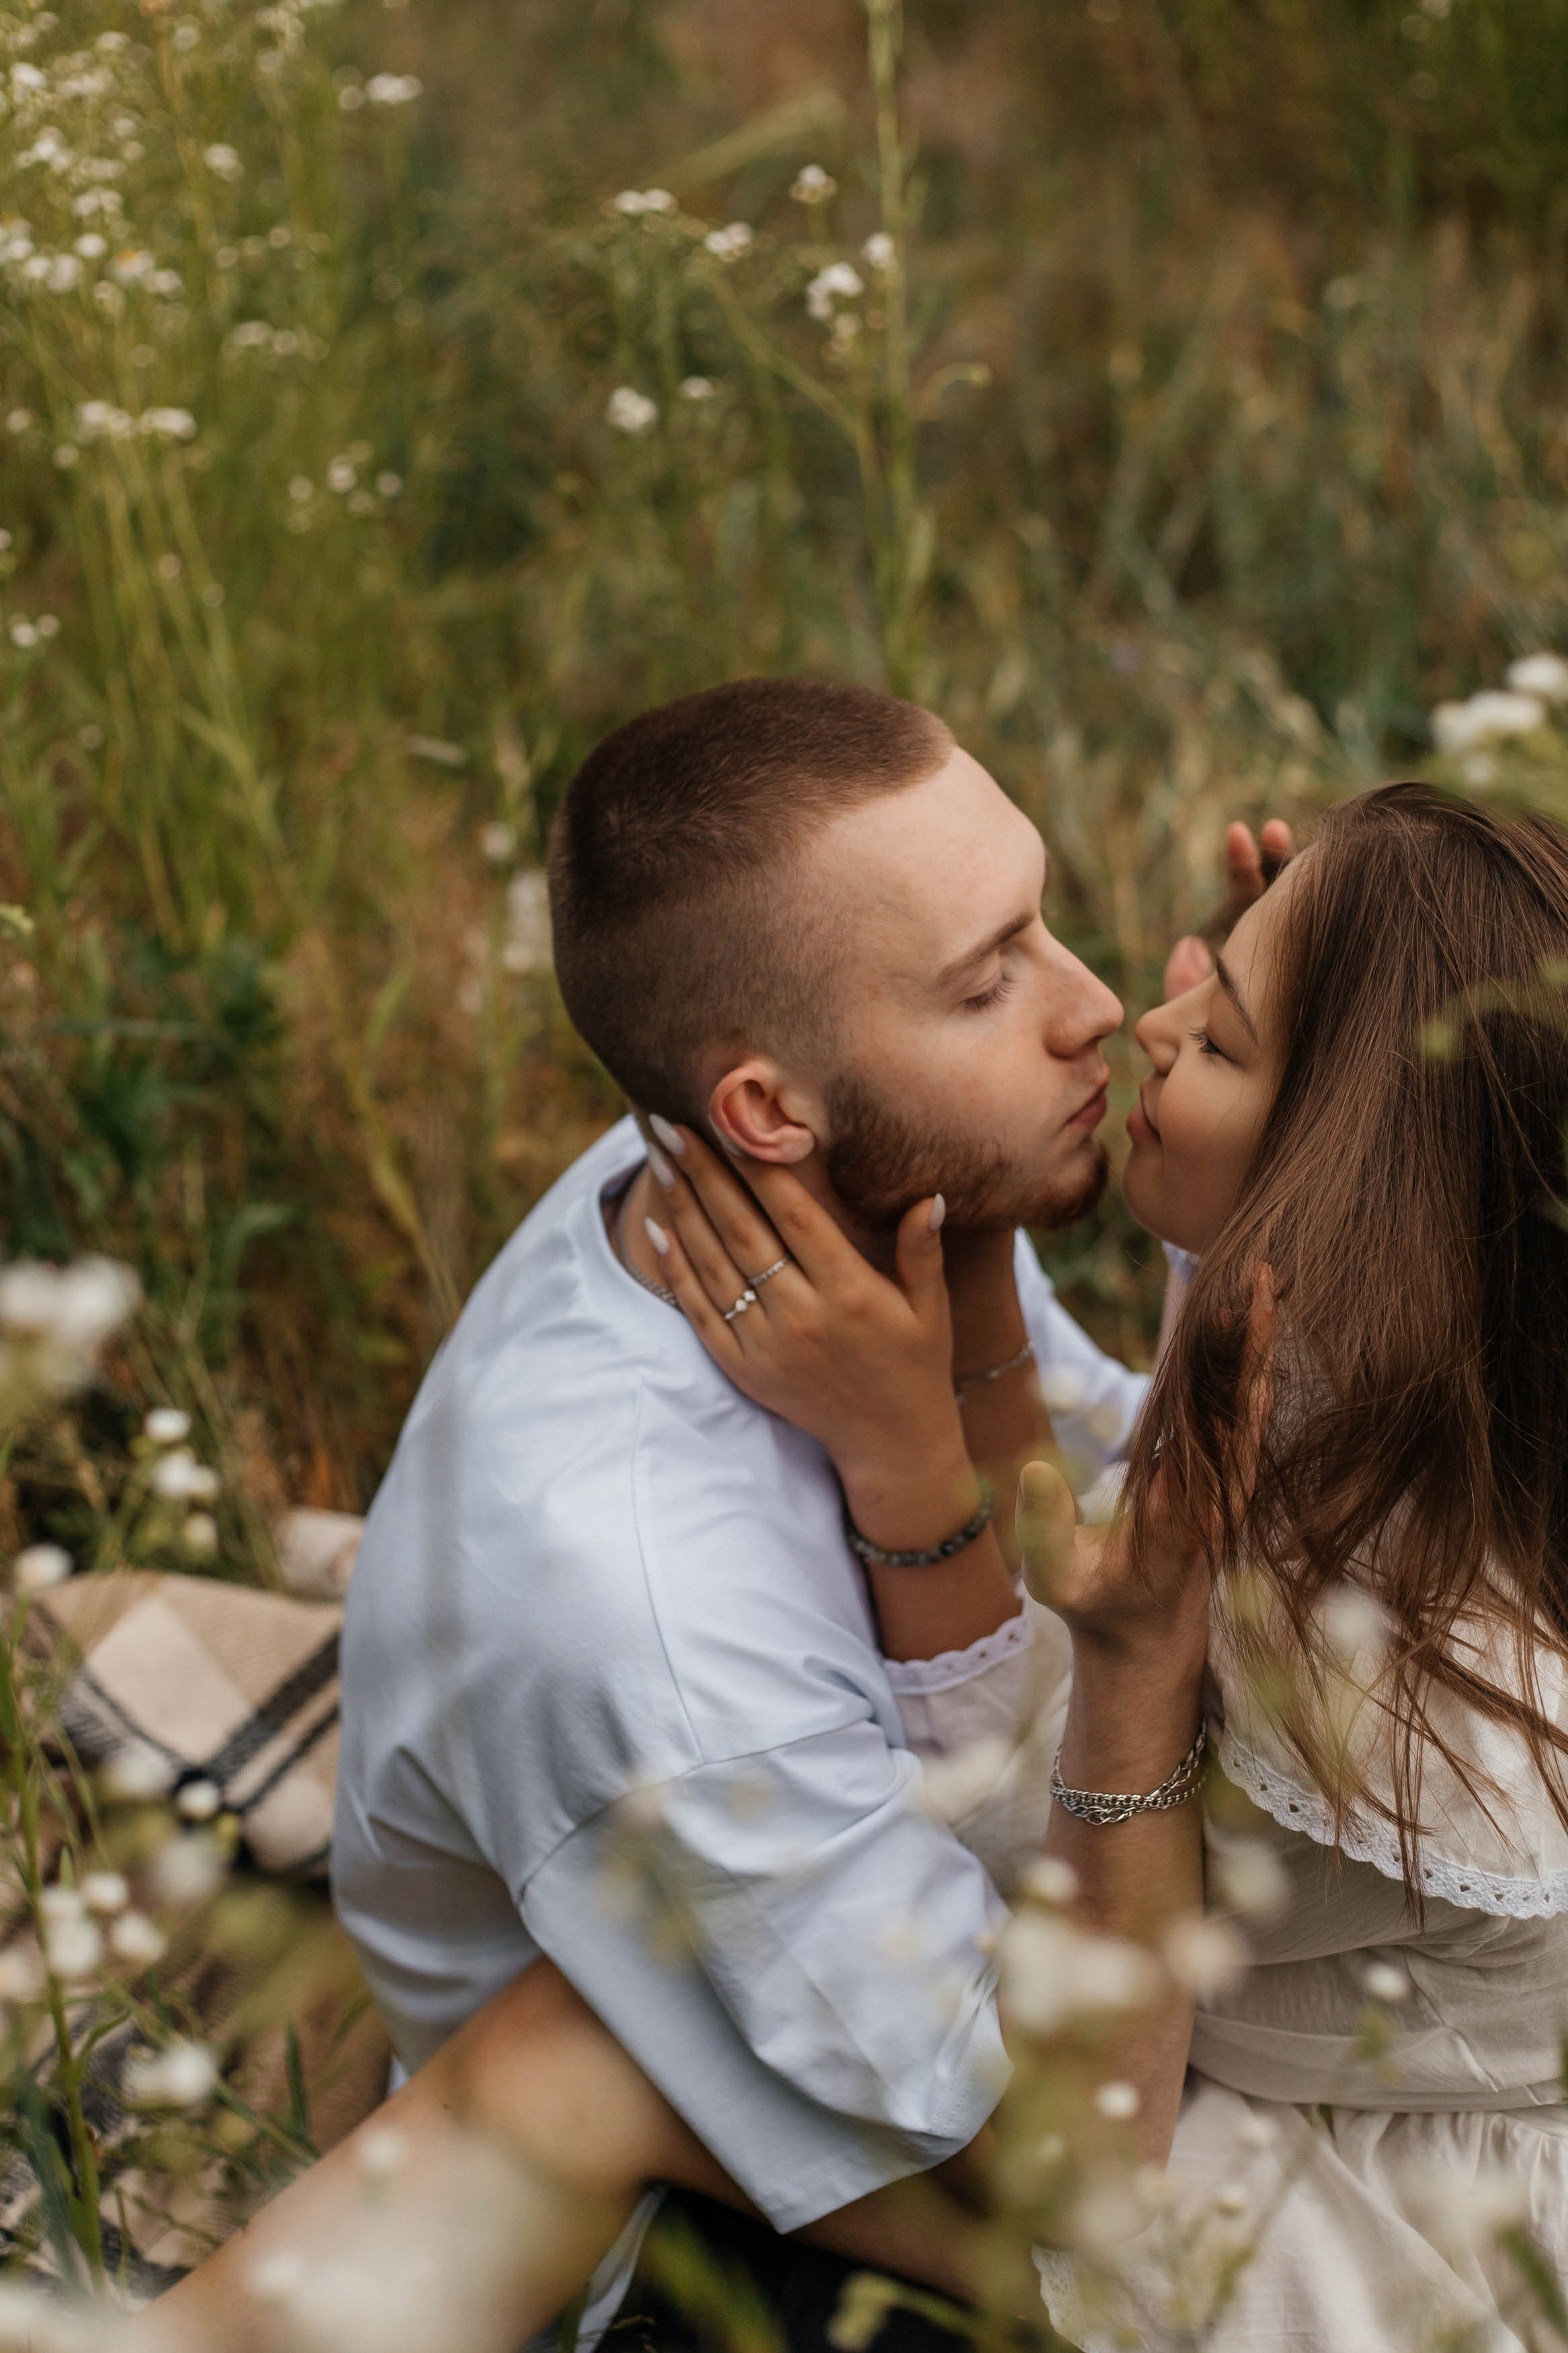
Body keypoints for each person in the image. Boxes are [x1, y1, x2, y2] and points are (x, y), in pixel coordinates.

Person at [324, 678, 1279, 2340]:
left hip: (932, 1934)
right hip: (713, 2201)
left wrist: (1297, 1085)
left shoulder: (847, 1189)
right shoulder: (637, 1594)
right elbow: (1062, 2172)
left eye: (1041, 922)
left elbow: (1101, 1512)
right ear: (764, 1108)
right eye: (986, 982)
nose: (1099, 1006)